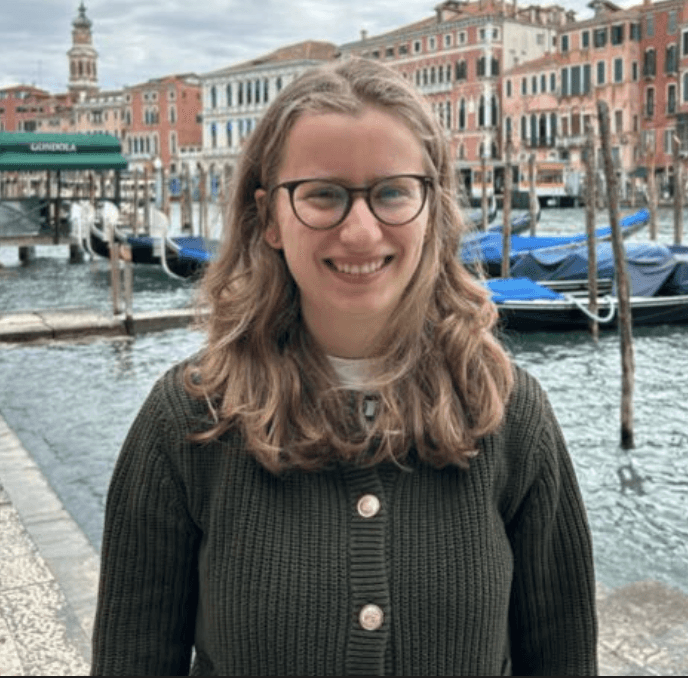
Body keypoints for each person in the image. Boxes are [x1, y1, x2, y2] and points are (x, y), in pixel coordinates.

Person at [91, 57, 597, 676]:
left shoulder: (513, 417)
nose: (360, 232)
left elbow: (564, 657)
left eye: (391, 193)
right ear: (269, 218)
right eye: (323, 195)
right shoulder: (186, 423)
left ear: (432, 210)